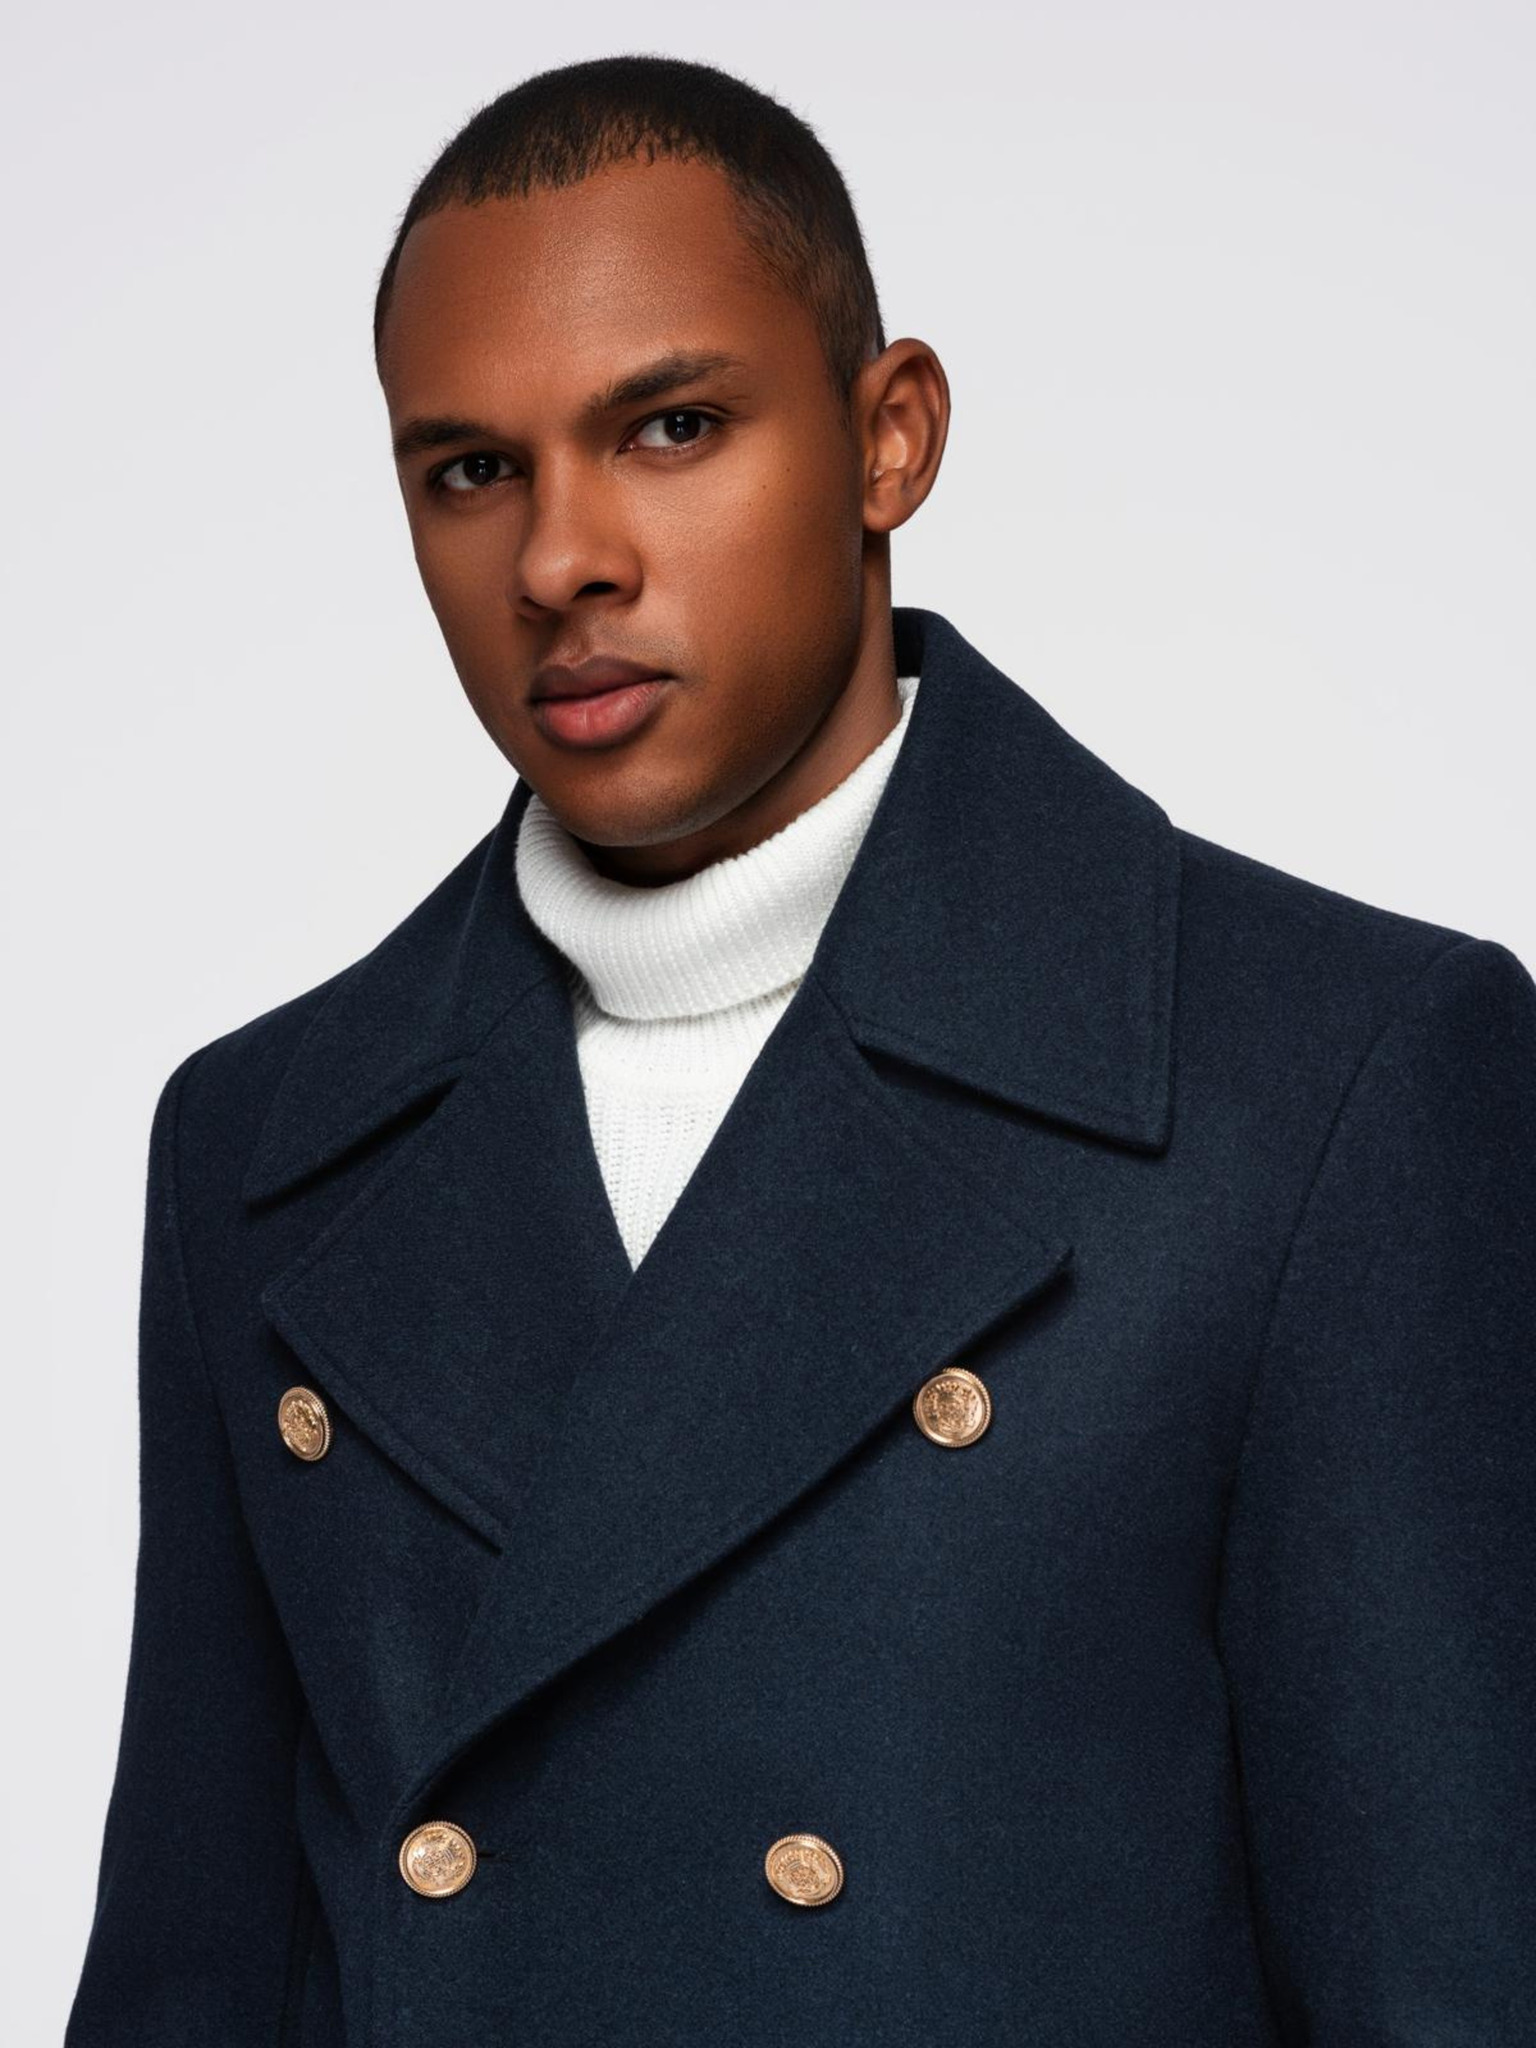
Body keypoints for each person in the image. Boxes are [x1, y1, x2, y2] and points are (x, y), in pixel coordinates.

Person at [65, 52, 1536, 2048]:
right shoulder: (260, 1146)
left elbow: (1454, 1977)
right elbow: (194, 1975)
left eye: (671, 426)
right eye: (470, 469)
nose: (560, 559)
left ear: (888, 438)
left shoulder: (1331, 1082)